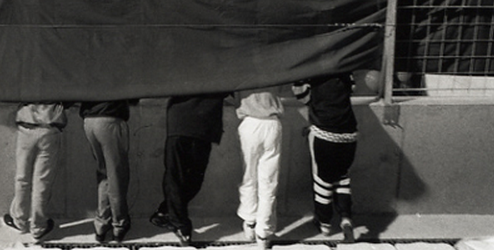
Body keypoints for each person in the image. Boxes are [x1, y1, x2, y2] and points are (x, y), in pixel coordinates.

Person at [150, 93, 227, 246]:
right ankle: (180, 224)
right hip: (196, 123)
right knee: (180, 176)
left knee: (188, 178)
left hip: (191, 123)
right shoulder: (222, 69)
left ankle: (167, 211)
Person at [292, 73, 358, 243]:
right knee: (342, 177)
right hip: (349, 132)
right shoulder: (345, 68)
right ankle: (346, 219)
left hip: (324, 132)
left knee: (323, 181)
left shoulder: (313, 68)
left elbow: (301, 95)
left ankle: (324, 224)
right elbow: (352, 88)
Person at [4, 102, 69, 242]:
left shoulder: (27, 78)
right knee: (42, 181)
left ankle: (19, 220)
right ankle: (38, 226)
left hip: (26, 127)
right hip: (50, 129)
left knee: (22, 178)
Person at [79, 99, 139, 243]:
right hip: (110, 119)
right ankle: (119, 224)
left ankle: (101, 224)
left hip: (89, 121)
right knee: (117, 175)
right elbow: (133, 97)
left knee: (104, 173)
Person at [234, 87, 284, 249]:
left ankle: (249, 222)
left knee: (248, 177)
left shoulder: (241, 69)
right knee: (269, 181)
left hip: (249, 123)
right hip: (271, 122)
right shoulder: (273, 66)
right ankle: (263, 232)